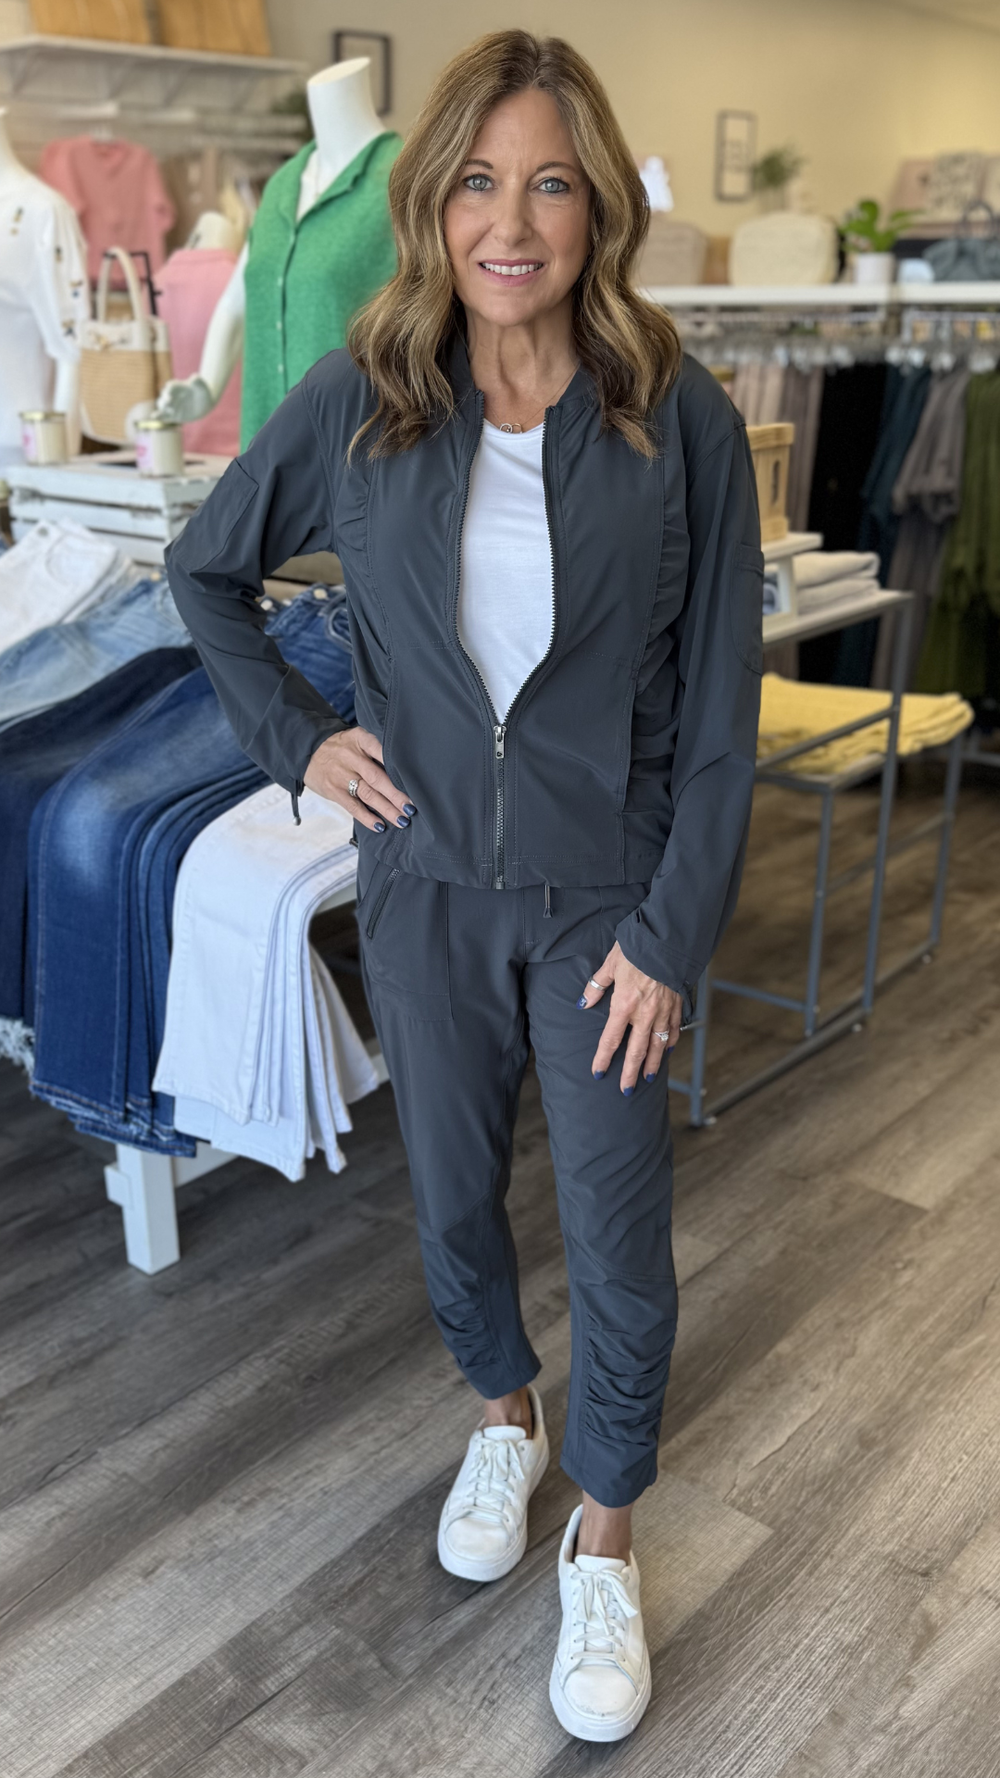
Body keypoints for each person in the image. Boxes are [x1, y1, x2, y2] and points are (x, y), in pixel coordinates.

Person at [166, 29, 763, 1745]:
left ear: (597, 208)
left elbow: (719, 718)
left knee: (620, 1228)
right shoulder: (370, 393)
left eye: (551, 183)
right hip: (423, 884)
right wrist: (301, 742)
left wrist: (670, 933)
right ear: (434, 202)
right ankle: (505, 1412)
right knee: (446, 1198)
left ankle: (607, 1529)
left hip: (604, 905)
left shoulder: (678, 416)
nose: (512, 222)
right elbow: (207, 573)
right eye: (481, 182)